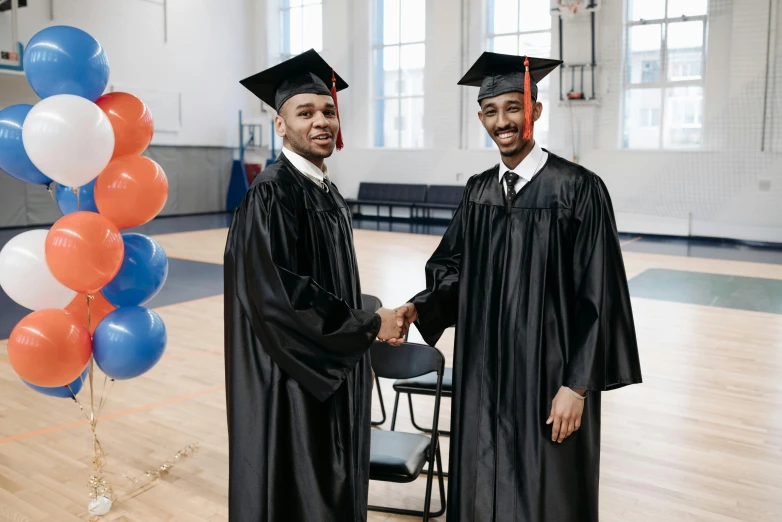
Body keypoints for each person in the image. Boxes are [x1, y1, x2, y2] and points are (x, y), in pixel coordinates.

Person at [394, 51, 643, 522]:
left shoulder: (578, 190)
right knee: (481, 484)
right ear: (481, 117)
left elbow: (600, 294)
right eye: (491, 111)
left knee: (547, 491)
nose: (502, 121)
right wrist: (417, 309)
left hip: (548, 376)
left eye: (513, 107)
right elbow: (453, 270)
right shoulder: (479, 191)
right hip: (483, 375)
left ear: (535, 110)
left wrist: (578, 384)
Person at [224, 49, 404, 522]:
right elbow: (283, 300)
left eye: (328, 112)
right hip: (292, 379)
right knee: (300, 492)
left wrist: (355, 349)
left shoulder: (326, 191)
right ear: (280, 125)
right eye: (305, 113)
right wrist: (366, 327)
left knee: (335, 482)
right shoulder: (272, 193)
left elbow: (336, 286)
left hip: (330, 363)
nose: (322, 121)